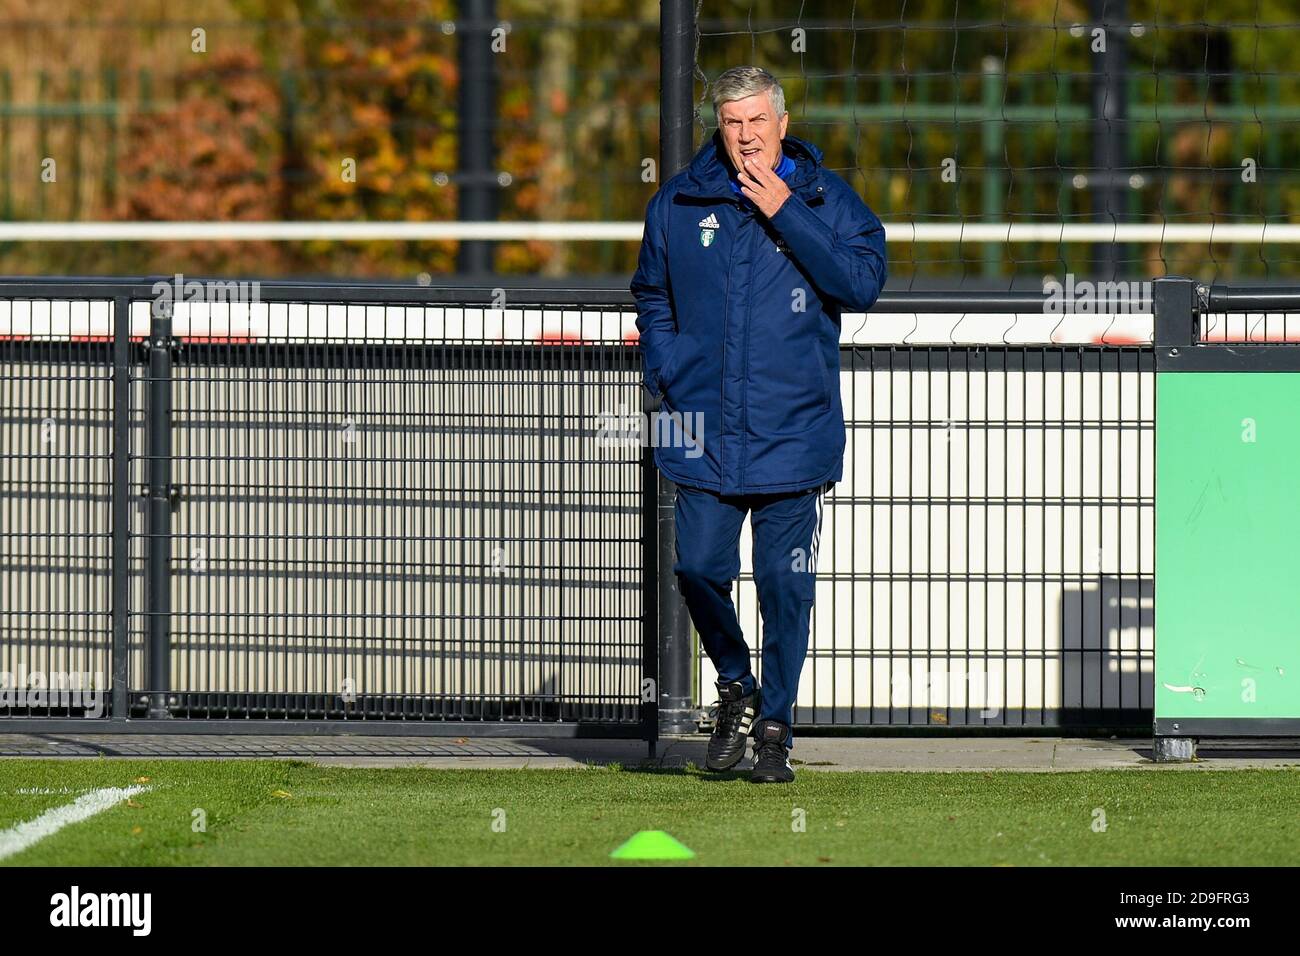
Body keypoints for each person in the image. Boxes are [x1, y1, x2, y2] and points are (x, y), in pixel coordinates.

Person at [631, 65, 887, 783]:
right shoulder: (680, 199)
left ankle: (775, 729)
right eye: (732, 123)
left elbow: (861, 283)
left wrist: (787, 213)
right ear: (721, 125)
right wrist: (668, 369)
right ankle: (735, 685)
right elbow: (652, 292)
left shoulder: (823, 198)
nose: (745, 137)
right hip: (699, 426)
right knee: (697, 569)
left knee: (785, 585)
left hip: (793, 431)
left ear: (781, 122)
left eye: (756, 122)